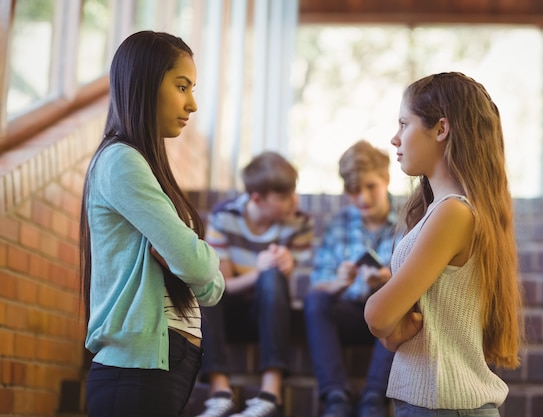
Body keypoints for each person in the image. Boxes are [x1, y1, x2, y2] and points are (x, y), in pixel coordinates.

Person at [79, 31, 226, 417]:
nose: (192, 104)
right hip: (135, 372)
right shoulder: (121, 161)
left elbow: (212, 290)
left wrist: (195, 257)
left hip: (159, 367)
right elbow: (197, 266)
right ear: (144, 83)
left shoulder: (143, 166)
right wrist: (201, 257)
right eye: (182, 86)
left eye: (192, 89)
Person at [364, 72, 524, 417]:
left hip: (444, 406)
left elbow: (378, 315)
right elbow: (393, 327)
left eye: (404, 123)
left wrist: (386, 322)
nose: (395, 138)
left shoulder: (453, 212)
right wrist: (393, 330)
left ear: (440, 129)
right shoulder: (443, 211)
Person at [196, 151, 314, 417]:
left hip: (273, 312)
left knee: (272, 277)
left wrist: (291, 268)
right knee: (204, 285)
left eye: (293, 192)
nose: (293, 201)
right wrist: (258, 272)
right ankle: (220, 392)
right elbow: (221, 284)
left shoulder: (300, 221)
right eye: (283, 197)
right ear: (257, 198)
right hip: (230, 311)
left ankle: (270, 392)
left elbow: (305, 289)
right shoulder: (224, 217)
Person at [304, 140, 398, 417]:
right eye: (354, 191)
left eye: (371, 187)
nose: (363, 198)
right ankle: (336, 397)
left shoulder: (410, 219)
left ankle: (373, 398)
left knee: (404, 304)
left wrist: (387, 281)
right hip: (349, 310)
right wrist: (339, 283)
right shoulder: (339, 222)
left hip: (389, 315)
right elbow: (318, 283)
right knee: (316, 301)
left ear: (386, 179)